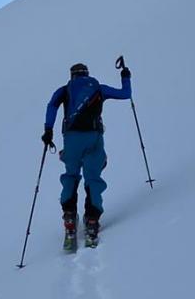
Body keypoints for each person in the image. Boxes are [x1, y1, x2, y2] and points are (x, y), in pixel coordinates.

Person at [42, 62, 131, 248]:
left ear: (72, 75)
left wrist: (48, 130)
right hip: (94, 137)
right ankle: (91, 221)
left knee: (71, 176)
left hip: (71, 139)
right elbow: (125, 94)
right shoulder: (98, 88)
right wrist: (125, 76)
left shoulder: (65, 90)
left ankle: (69, 218)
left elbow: (52, 106)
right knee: (93, 179)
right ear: (87, 74)